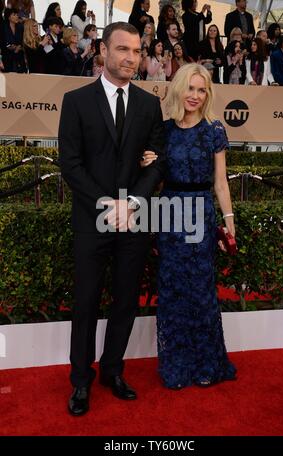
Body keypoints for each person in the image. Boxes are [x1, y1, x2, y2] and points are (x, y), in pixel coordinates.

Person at [58, 21, 166, 416]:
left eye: (137, 51)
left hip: (133, 220)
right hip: (92, 219)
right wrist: (108, 203)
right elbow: (70, 165)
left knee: (124, 301)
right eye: (123, 49)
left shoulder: (149, 104)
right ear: (103, 50)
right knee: (85, 303)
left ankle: (113, 371)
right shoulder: (76, 101)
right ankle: (81, 381)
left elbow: (157, 162)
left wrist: (133, 201)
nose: (131, 58)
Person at [141, 63, 236, 390]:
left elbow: (221, 183)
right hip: (169, 214)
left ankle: (207, 362)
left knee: (200, 291)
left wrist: (229, 221)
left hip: (201, 216)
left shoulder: (214, 130)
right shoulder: (164, 131)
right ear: (179, 88)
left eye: (202, 90)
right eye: (191, 88)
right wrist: (147, 162)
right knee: (172, 291)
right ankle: (177, 365)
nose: (195, 95)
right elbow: (152, 176)